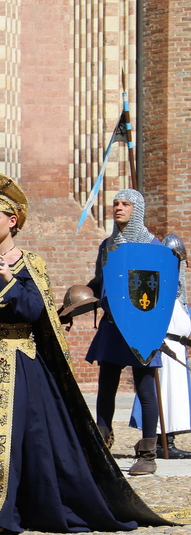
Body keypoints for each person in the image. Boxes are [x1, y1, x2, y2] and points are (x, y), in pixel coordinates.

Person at [0, 171, 168, 535]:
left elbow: (36, 311)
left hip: (16, 362)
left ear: (13, 220)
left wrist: (9, 281)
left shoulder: (28, 263)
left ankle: (6, 510)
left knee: (15, 438)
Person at [86, 189, 166, 475]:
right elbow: (100, 282)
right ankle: (101, 445)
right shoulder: (107, 245)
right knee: (106, 386)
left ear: (137, 209)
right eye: (116, 204)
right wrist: (78, 299)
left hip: (141, 326)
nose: (118, 208)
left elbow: (163, 286)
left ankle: (147, 454)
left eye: (125, 204)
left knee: (145, 389)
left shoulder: (151, 245)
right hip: (111, 325)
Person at [126, 233, 191, 459]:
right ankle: (161, 442)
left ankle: (167, 440)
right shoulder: (157, 285)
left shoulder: (176, 288)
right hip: (164, 348)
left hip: (178, 347)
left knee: (176, 397)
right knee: (163, 395)